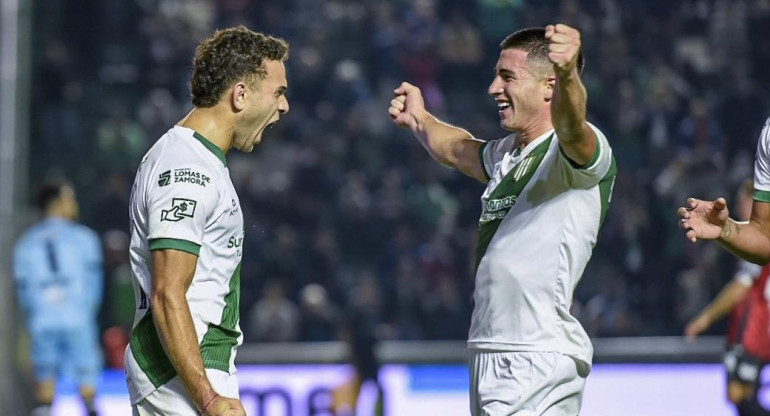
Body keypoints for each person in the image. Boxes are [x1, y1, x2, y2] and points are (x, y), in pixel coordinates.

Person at [389, 24, 616, 415]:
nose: (494, 88)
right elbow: (457, 149)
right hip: (492, 348)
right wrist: (420, 119)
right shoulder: (508, 155)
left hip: (533, 354)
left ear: (549, 87)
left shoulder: (572, 155)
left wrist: (569, 75)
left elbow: (573, 126)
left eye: (507, 77)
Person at [126, 26, 289, 416]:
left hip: (190, 372)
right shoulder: (186, 168)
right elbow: (168, 293)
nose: (284, 107)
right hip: (181, 376)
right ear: (241, 94)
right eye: (279, 92)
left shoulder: (197, 160)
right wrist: (209, 398)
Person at [13, 179, 104, 416]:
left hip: (42, 319)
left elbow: (24, 293)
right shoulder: (85, 239)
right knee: (87, 385)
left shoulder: (25, 244)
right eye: (70, 198)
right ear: (57, 202)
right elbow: (94, 286)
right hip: (77, 317)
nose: (74, 204)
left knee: (44, 385)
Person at [684, 180, 770, 416]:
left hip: (753, 329)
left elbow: (741, 287)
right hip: (752, 326)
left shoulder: (757, 243)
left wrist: (705, 318)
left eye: (745, 201)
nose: (742, 206)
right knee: (740, 395)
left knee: (737, 394)